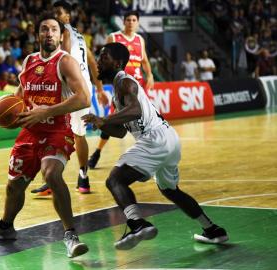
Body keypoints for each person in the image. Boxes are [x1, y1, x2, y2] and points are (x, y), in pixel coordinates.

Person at [82, 43, 228, 250]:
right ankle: (213, 230)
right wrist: (101, 124)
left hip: (154, 139)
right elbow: (122, 131)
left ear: (117, 62)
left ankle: (137, 224)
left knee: (115, 179)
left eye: (103, 57)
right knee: (171, 191)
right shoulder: (118, 90)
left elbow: (136, 110)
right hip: (168, 139)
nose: (97, 61)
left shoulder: (124, 82)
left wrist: (105, 119)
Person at [0, 13, 90, 259]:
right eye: (44, 29)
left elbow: (83, 98)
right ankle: (5, 227)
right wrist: (11, 115)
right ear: (37, 34)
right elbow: (19, 99)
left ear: (60, 36)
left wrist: (46, 111)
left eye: (53, 30)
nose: (49, 33)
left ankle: (70, 235)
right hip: (30, 132)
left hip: (57, 130)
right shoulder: (28, 61)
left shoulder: (65, 61)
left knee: (51, 173)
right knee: (14, 186)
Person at [30, 0, 109, 196]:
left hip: (72, 88)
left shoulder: (64, 31)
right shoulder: (79, 35)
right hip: (81, 86)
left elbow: (61, 56)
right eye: (53, 12)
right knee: (65, 133)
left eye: (59, 12)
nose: (55, 15)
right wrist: (98, 88)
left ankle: (78, 175)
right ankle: (74, 176)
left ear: (67, 17)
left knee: (74, 133)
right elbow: (91, 61)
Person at [88, 10, 154, 169]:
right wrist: (101, 84)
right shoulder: (114, 37)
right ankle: (97, 152)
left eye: (134, 20)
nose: (131, 22)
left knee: (144, 121)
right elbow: (103, 60)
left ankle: (148, 154)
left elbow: (144, 61)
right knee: (114, 120)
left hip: (137, 87)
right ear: (123, 21)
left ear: (137, 22)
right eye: (128, 20)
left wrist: (150, 75)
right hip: (121, 87)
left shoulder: (140, 39)